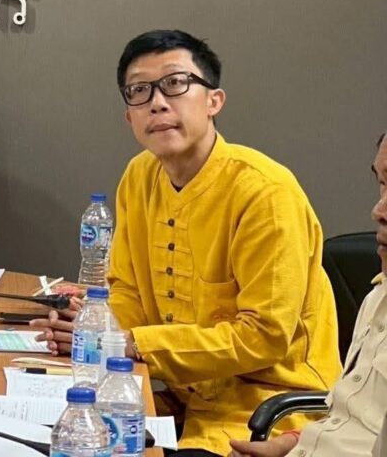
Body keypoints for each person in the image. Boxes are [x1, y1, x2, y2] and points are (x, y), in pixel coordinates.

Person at [32, 29, 340, 456]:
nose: (157, 102)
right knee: (49, 435)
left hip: (266, 412)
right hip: (178, 398)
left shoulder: (265, 193)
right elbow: (129, 291)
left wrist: (131, 343)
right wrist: (91, 330)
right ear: (129, 117)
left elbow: (263, 337)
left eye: (176, 83)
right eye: (139, 91)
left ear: (214, 101)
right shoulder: (139, 177)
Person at [226, 132, 387, 457]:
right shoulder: (377, 296)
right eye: (382, 184)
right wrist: (289, 443)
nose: (378, 210)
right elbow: (350, 418)